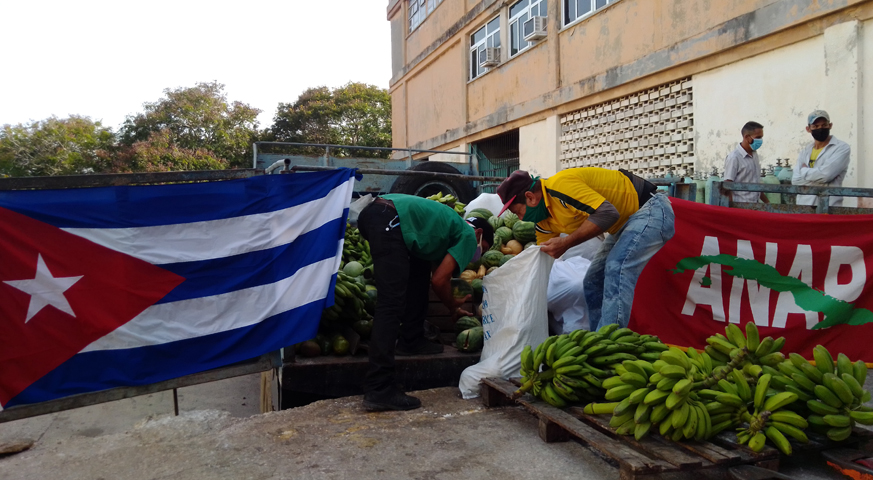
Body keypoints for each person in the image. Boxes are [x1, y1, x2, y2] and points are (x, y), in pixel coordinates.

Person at [356, 193, 493, 411]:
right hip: (390, 220)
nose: (477, 255)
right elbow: (440, 282)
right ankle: (379, 388)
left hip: (379, 215)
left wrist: (461, 298)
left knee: (418, 273)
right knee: (391, 303)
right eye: (483, 248)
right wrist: (453, 307)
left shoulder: (446, 231)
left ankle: (412, 340)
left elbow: (441, 276)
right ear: (479, 233)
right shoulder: (468, 235)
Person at [496, 168, 674, 332]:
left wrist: (567, 243)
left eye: (518, 212)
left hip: (649, 210)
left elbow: (607, 213)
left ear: (530, 197)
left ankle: (609, 343)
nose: (520, 218)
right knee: (593, 280)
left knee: (616, 267)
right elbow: (542, 256)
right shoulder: (543, 219)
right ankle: (596, 341)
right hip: (622, 225)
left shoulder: (560, 186)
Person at [791, 110, 851, 206]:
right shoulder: (805, 151)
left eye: (824, 125)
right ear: (808, 129)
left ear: (830, 125)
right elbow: (796, 180)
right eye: (815, 126)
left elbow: (825, 175)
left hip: (829, 207)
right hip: (804, 206)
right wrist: (820, 179)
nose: (820, 128)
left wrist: (804, 171)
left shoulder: (841, 148)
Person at [723, 121, 769, 204]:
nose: (760, 141)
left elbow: (756, 182)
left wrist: (768, 203)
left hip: (755, 206)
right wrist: (731, 209)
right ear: (747, 137)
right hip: (740, 207)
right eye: (758, 137)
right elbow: (727, 186)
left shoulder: (754, 155)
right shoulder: (734, 158)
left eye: (761, 137)